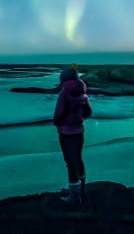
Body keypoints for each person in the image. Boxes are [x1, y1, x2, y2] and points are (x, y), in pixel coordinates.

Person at [53, 62, 92, 208]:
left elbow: (59, 113)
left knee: (70, 163)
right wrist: (78, 120)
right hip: (79, 131)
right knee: (78, 159)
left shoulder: (64, 93)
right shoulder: (83, 93)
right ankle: (81, 191)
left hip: (66, 133)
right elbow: (88, 112)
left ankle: (74, 198)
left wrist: (57, 123)